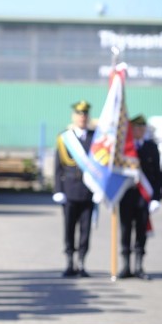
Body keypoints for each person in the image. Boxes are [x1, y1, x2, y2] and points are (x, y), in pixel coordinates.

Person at [53, 100, 95, 278]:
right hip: (70, 190)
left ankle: (82, 263)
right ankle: (70, 263)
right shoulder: (65, 138)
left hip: (88, 191)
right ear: (74, 116)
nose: (82, 117)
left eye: (85, 114)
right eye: (79, 114)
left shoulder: (96, 137)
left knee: (86, 230)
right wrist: (58, 190)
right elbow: (58, 167)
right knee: (69, 229)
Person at [117, 115, 162, 279]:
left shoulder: (151, 147)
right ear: (131, 130)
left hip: (144, 197)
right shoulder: (124, 148)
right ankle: (126, 266)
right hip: (126, 196)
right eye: (137, 128)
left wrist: (156, 197)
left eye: (143, 128)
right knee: (125, 230)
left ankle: (139, 266)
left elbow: (158, 175)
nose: (140, 131)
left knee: (141, 231)